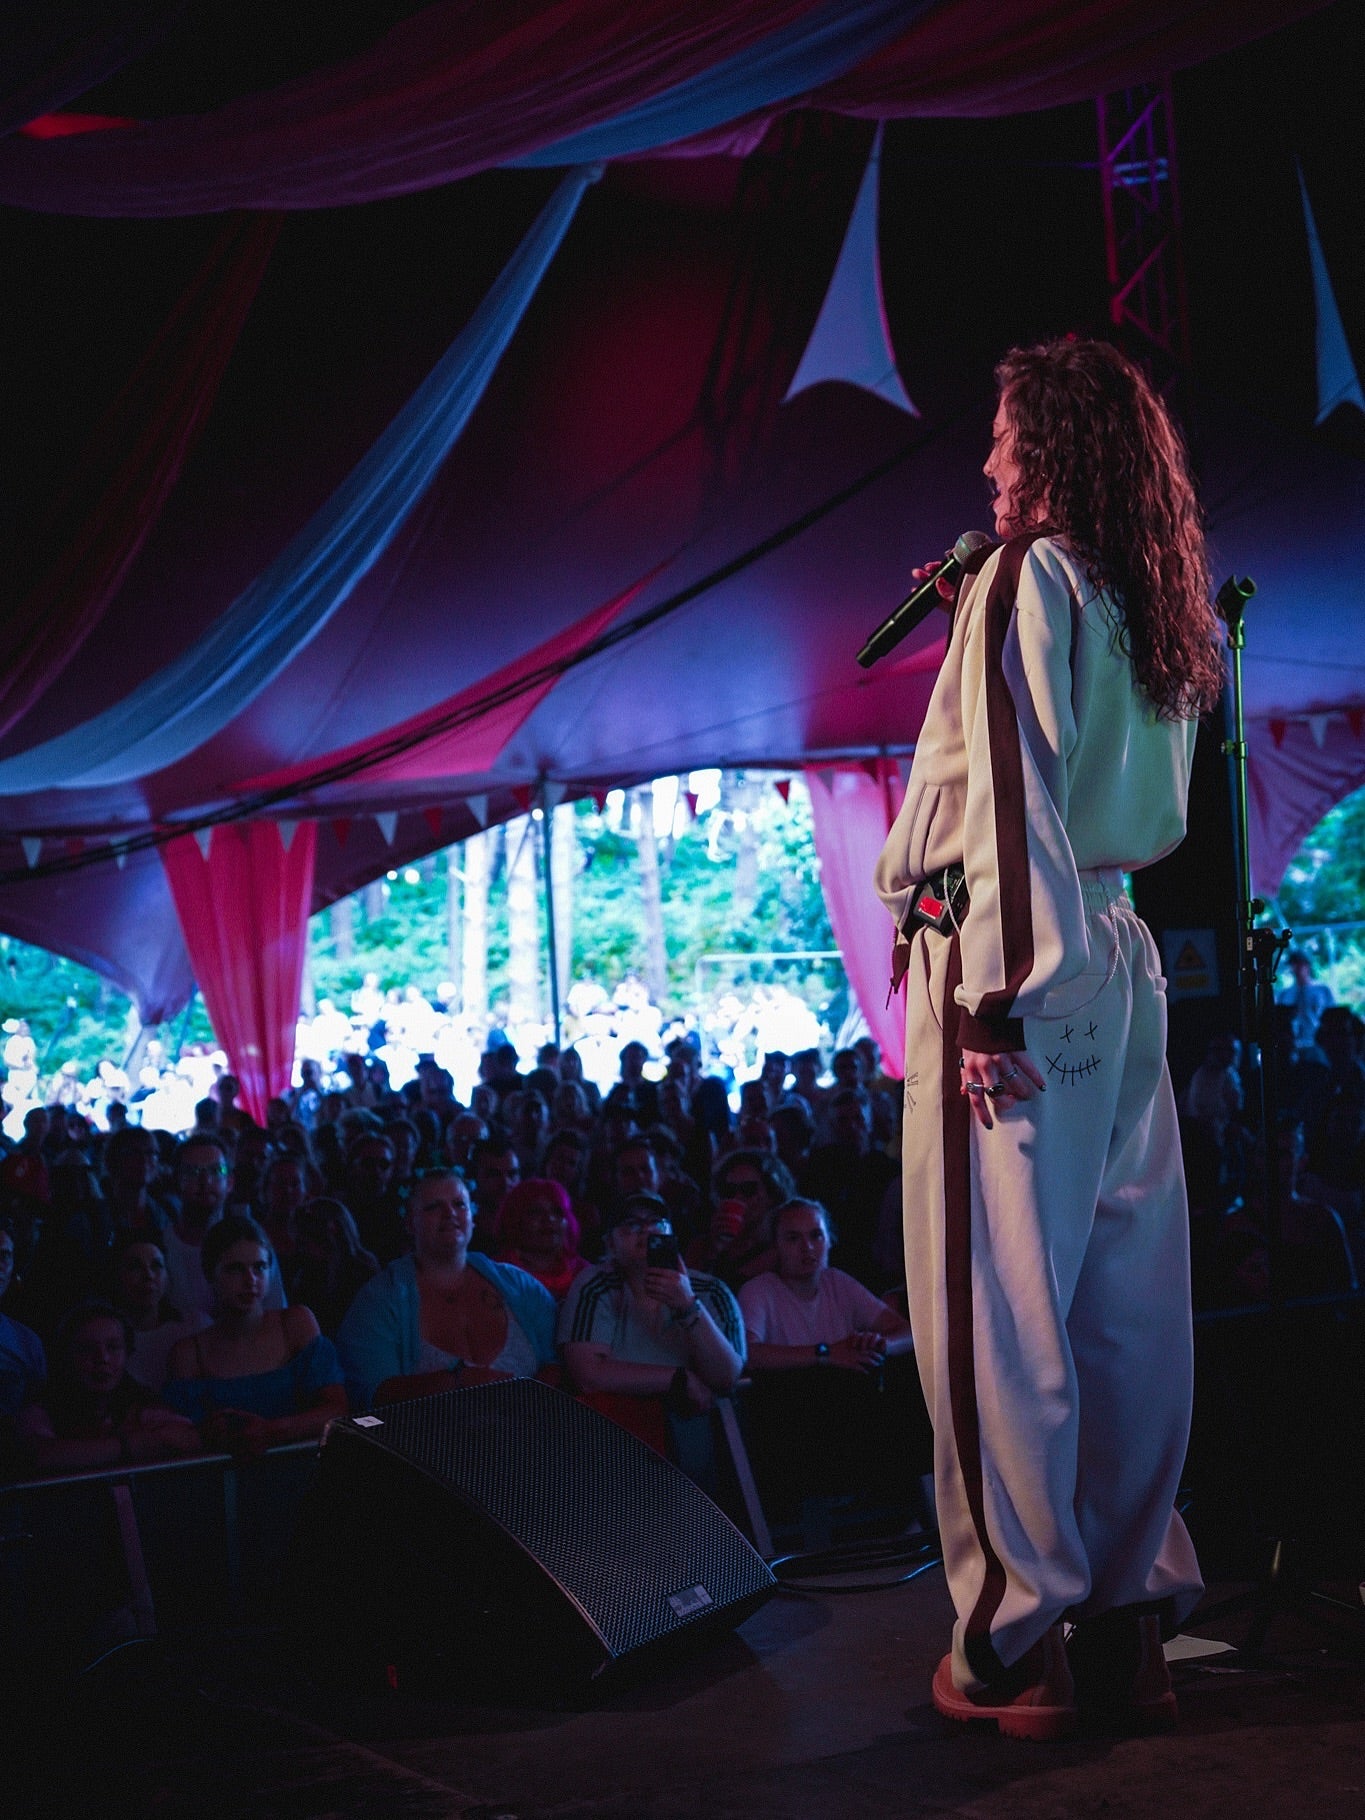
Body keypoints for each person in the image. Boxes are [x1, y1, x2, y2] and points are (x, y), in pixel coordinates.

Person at [875, 338, 1222, 1738]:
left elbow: (1012, 801)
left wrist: (988, 995)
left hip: (1016, 962)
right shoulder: (1148, 590)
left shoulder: (1028, 578)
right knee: (1123, 1304)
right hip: (1119, 951)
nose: (987, 460)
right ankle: (1127, 1617)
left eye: (1006, 435)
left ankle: (1011, 1644)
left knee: (999, 1315)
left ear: (1056, 450)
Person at [336, 1169, 556, 1410]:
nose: (450, 1213)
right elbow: (372, 1394)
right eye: (433, 1207)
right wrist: (455, 1383)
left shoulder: (520, 1286)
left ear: (472, 1216)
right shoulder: (379, 1301)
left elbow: (559, 1362)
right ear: (410, 1223)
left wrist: (531, 1405)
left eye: (459, 1204)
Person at [559, 1193, 745, 1447]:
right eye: (632, 1224)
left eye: (656, 1222)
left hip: (698, 1428)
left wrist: (688, 1306)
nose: (646, 1231)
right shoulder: (596, 1286)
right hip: (615, 1430)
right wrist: (677, 1379)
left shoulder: (712, 1291)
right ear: (610, 1242)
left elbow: (727, 1376)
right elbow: (587, 1375)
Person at [164, 1215, 346, 1453]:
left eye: (259, 1267)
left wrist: (273, 1431)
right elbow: (180, 1440)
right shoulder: (190, 1354)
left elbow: (337, 1409)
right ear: (211, 1274)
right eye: (235, 1269)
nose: (250, 1280)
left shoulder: (294, 1324)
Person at [109, 1232, 210, 1393]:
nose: (148, 1275)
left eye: (156, 1266)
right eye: (135, 1267)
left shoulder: (194, 1327)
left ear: (167, 1276)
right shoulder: (107, 1341)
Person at [492, 1178, 589, 1301]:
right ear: (514, 1219)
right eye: (536, 1212)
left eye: (557, 1212)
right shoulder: (496, 1273)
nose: (549, 1219)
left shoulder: (585, 1274)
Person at [1276, 949, 1333, 1055]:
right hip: (1292, 1046)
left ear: (1308, 965)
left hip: (1317, 1044)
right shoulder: (1285, 994)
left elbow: (1331, 1018)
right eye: (1293, 965)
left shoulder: (1322, 990)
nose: (1296, 968)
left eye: (1300, 964)